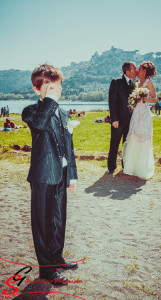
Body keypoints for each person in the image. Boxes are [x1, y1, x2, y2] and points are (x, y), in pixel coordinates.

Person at [22, 64, 78, 286]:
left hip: (60, 176)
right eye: (50, 86)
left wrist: (71, 175)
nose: (57, 90)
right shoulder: (31, 111)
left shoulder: (63, 114)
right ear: (37, 89)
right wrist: (50, 100)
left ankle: (57, 258)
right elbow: (39, 125)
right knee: (43, 224)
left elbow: (68, 147)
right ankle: (47, 270)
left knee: (58, 221)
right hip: (42, 176)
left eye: (59, 87)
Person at [122, 61, 157, 180]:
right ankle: (132, 167)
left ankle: (142, 168)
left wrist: (145, 99)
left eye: (140, 68)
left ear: (145, 71)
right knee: (133, 136)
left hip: (144, 114)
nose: (137, 71)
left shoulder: (149, 83)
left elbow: (155, 99)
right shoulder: (137, 83)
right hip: (136, 113)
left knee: (143, 138)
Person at [107, 61, 137, 174]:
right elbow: (112, 102)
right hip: (118, 121)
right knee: (114, 144)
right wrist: (114, 119)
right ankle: (111, 166)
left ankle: (126, 166)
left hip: (131, 121)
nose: (137, 71)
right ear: (127, 71)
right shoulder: (116, 82)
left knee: (127, 144)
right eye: (135, 69)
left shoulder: (135, 84)